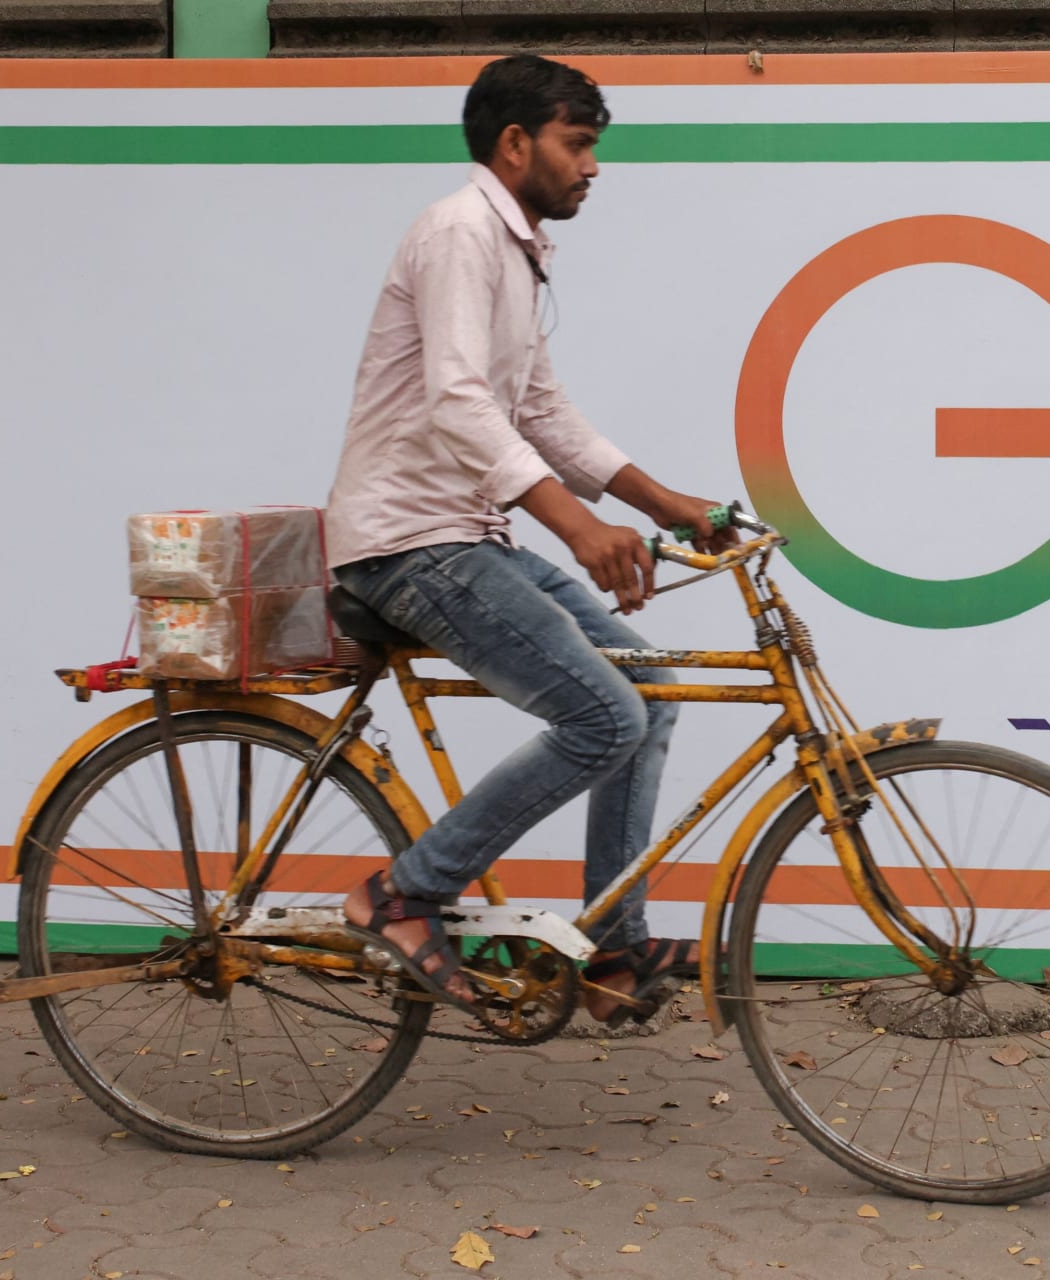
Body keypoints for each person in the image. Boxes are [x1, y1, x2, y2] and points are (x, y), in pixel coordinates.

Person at [324, 53, 729, 1022]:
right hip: (408, 545)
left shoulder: (514, 248)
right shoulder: (462, 231)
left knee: (653, 691)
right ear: (516, 146)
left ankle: (610, 946)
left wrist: (665, 501)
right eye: (577, 145)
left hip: (467, 535)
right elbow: (461, 404)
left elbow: (539, 410)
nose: (592, 167)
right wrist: (581, 525)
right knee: (604, 716)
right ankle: (404, 892)